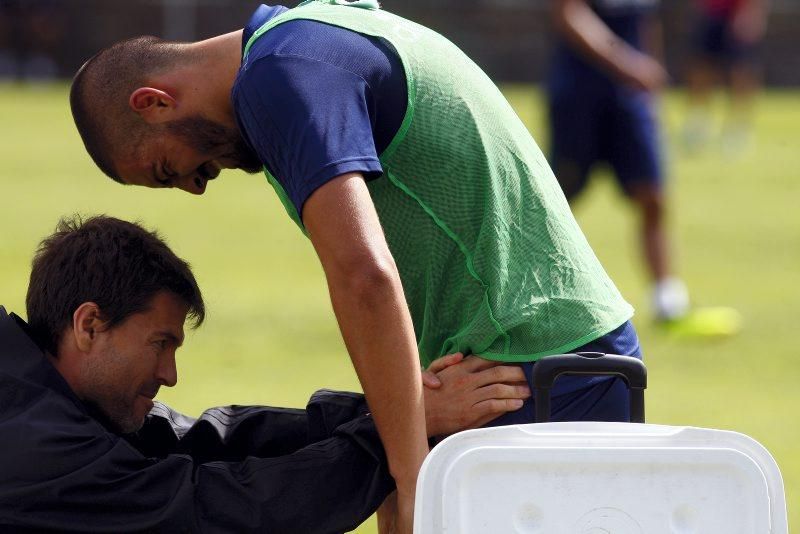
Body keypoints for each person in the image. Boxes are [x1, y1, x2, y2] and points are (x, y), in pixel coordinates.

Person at [70, 2, 642, 529]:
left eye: (169, 169)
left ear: (154, 101)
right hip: (517, 362)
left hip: (537, 371)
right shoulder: (302, 35)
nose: (195, 186)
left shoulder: (281, 76)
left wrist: (413, 475)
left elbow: (363, 274)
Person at [0, 214, 532, 533]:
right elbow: (215, 509)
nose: (170, 374)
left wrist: (393, 408)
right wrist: (398, 426)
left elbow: (205, 442)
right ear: (89, 324)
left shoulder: (45, 393)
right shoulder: (35, 443)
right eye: (160, 344)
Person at [548, 0, 692, 323]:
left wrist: (652, 77)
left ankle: (665, 295)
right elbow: (567, 13)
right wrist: (626, 63)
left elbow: (646, 22)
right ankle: (533, 289)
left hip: (631, 99)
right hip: (580, 94)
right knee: (556, 197)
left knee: (652, 195)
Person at [683, 0, 769, 152]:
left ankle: (738, 127)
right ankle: (699, 122)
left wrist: (752, 12)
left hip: (741, 12)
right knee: (701, 67)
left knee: (741, 71)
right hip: (711, 13)